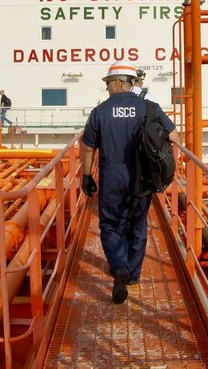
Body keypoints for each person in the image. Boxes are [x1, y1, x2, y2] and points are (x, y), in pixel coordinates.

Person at [81, 61, 177, 304]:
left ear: (116, 82)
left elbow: (88, 147)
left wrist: (86, 176)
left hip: (112, 178)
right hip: (143, 178)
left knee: (112, 225)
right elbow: (174, 137)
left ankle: (119, 267)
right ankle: (132, 275)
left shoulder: (100, 112)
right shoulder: (149, 107)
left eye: (108, 84)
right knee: (137, 224)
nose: (108, 88)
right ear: (130, 83)